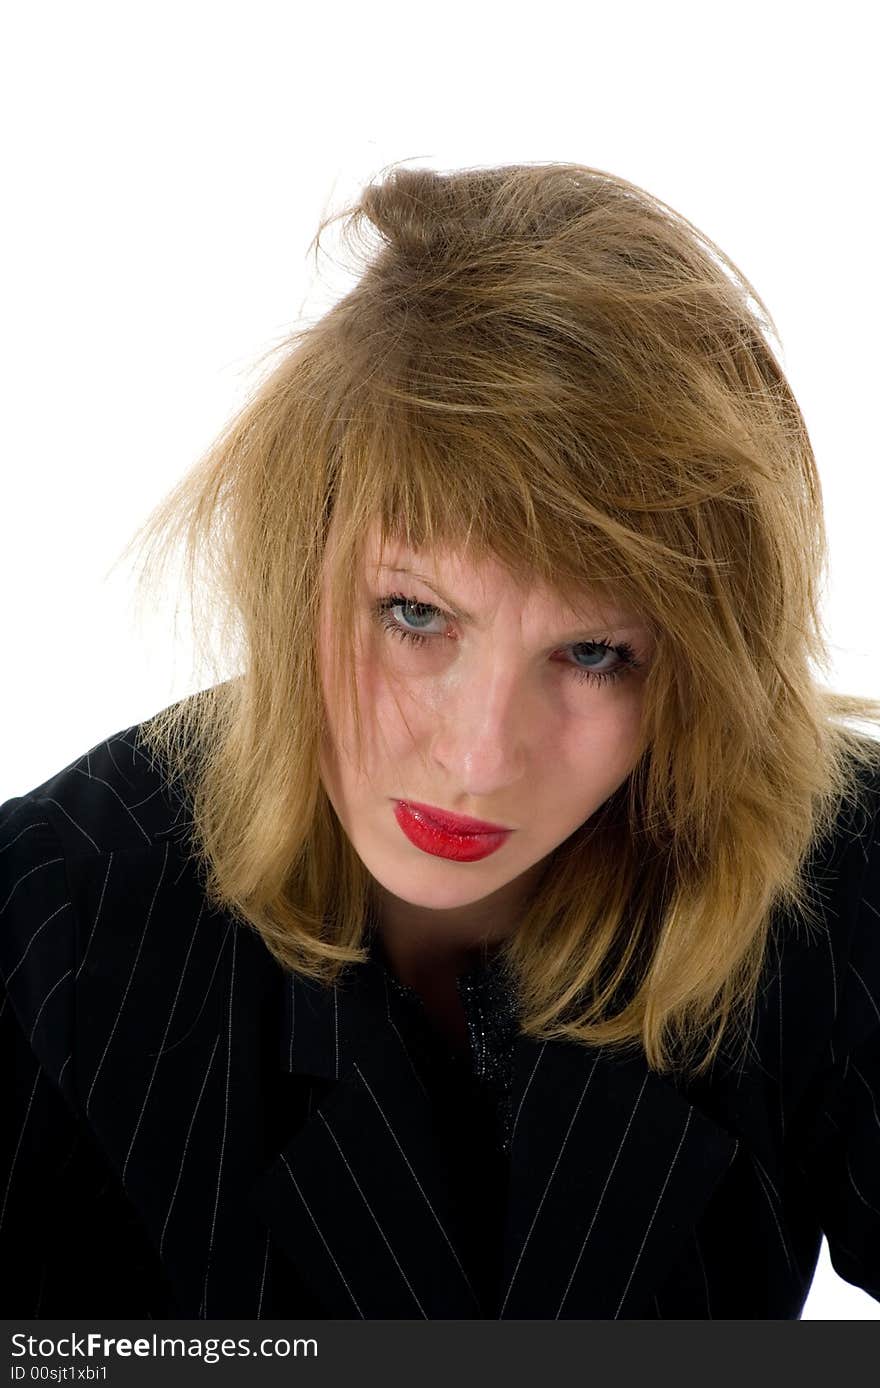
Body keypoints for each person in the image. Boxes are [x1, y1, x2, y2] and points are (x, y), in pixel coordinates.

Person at [2, 160, 880, 1320]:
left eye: (594, 653)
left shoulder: (834, 873)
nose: (475, 759)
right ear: (297, 559)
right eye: (415, 614)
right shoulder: (54, 913)